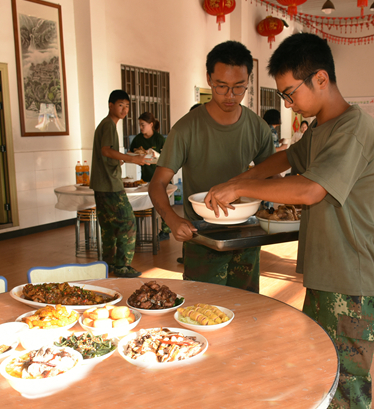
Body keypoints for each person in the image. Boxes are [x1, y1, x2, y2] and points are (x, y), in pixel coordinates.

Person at [203, 33, 374, 409]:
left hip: (352, 278)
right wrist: (241, 179)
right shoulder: (322, 128)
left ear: (320, 79)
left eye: (290, 94)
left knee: (346, 389)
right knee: (321, 373)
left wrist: (239, 187)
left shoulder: (354, 127)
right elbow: (288, 157)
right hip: (328, 274)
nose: (288, 104)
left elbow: (310, 191)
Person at [149, 40, 274, 293]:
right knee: (202, 307)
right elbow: (157, 183)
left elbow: (270, 177)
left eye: (239, 87)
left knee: (246, 304)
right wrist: (172, 219)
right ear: (209, 79)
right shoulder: (186, 128)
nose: (230, 96)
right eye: (221, 86)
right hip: (202, 235)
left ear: (248, 81)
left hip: (246, 233)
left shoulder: (257, 127)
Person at [90, 90, 150, 278]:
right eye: (120, 105)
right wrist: (133, 159)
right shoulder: (108, 125)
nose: (124, 109)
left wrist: (122, 159)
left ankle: (107, 264)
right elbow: (106, 151)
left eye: (127, 106)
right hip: (110, 185)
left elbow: (107, 155)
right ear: (111, 105)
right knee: (128, 222)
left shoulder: (106, 124)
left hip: (101, 184)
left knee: (109, 227)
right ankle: (122, 266)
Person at [129, 111, 171, 240]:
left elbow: (167, 156)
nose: (141, 127)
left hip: (161, 177)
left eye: (143, 124)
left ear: (151, 124)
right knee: (142, 204)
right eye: (140, 125)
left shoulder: (159, 139)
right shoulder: (138, 139)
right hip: (146, 177)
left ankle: (165, 231)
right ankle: (137, 232)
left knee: (163, 204)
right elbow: (130, 153)